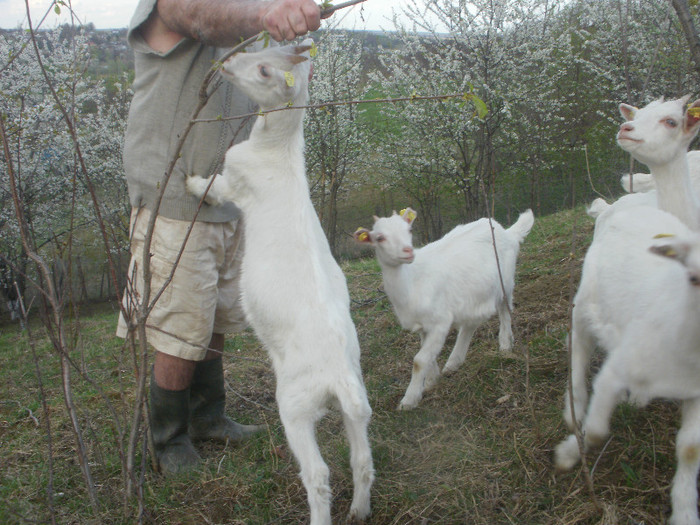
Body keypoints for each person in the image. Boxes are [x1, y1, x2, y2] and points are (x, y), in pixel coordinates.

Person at [117, 0, 322, 475]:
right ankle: (168, 440)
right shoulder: (173, 6)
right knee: (181, 325)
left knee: (211, 316)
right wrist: (270, 14)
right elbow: (202, 19)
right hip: (175, 199)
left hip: (227, 196)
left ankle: (208, 417)